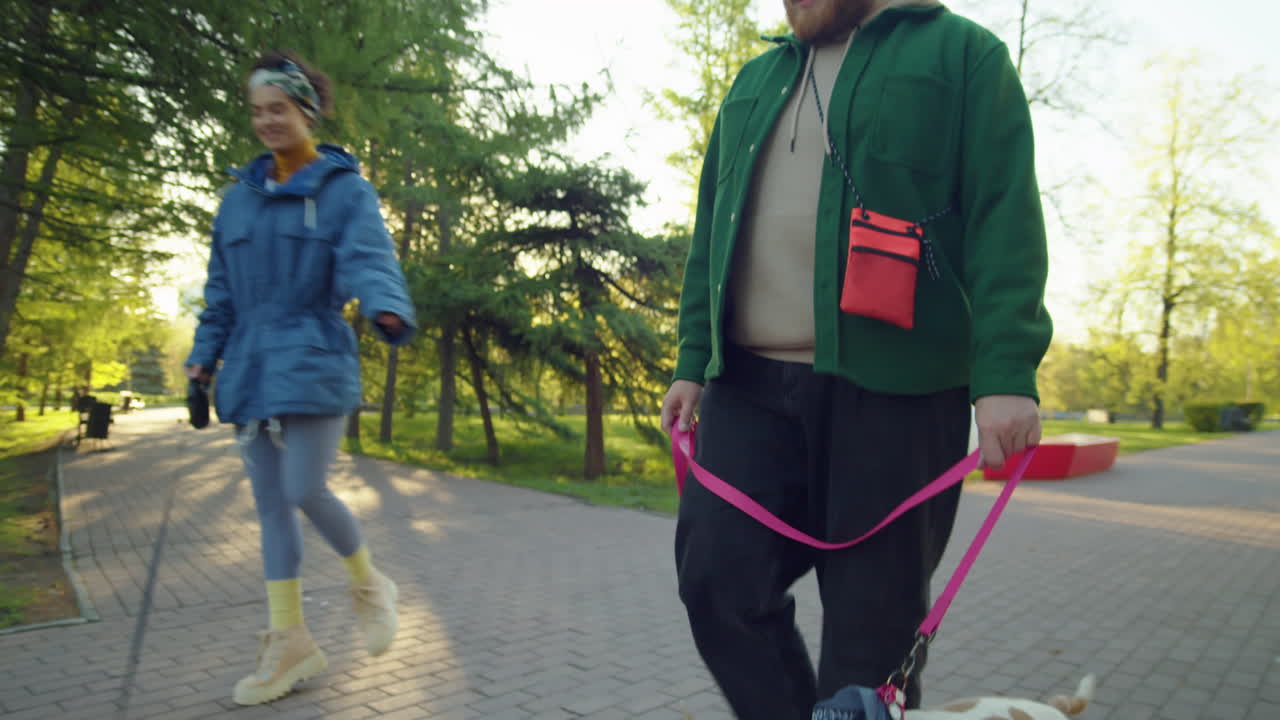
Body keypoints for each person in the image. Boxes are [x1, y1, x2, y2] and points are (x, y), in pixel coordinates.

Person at [659, 1, 1052, 718]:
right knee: (715, 582)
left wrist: (1006, 373)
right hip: (746, 388)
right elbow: (708, 235)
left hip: (899, 394)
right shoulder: (755, 79)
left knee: (871, 638)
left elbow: (1006, 216)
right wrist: (692, 359)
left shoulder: (964, 58)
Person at [185, 50, 418, 706]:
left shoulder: (343, 190)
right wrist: (203, 357)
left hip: (313, 355)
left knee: (304, 487)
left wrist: (385, 304)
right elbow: (221, 293)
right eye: (257, 111)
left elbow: (368, 257)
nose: (267, 121)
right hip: (250, 367)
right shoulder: (237, 200)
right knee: (269, 508)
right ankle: (288, 640)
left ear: (305, 110)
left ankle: (371, 584)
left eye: (278, 109)